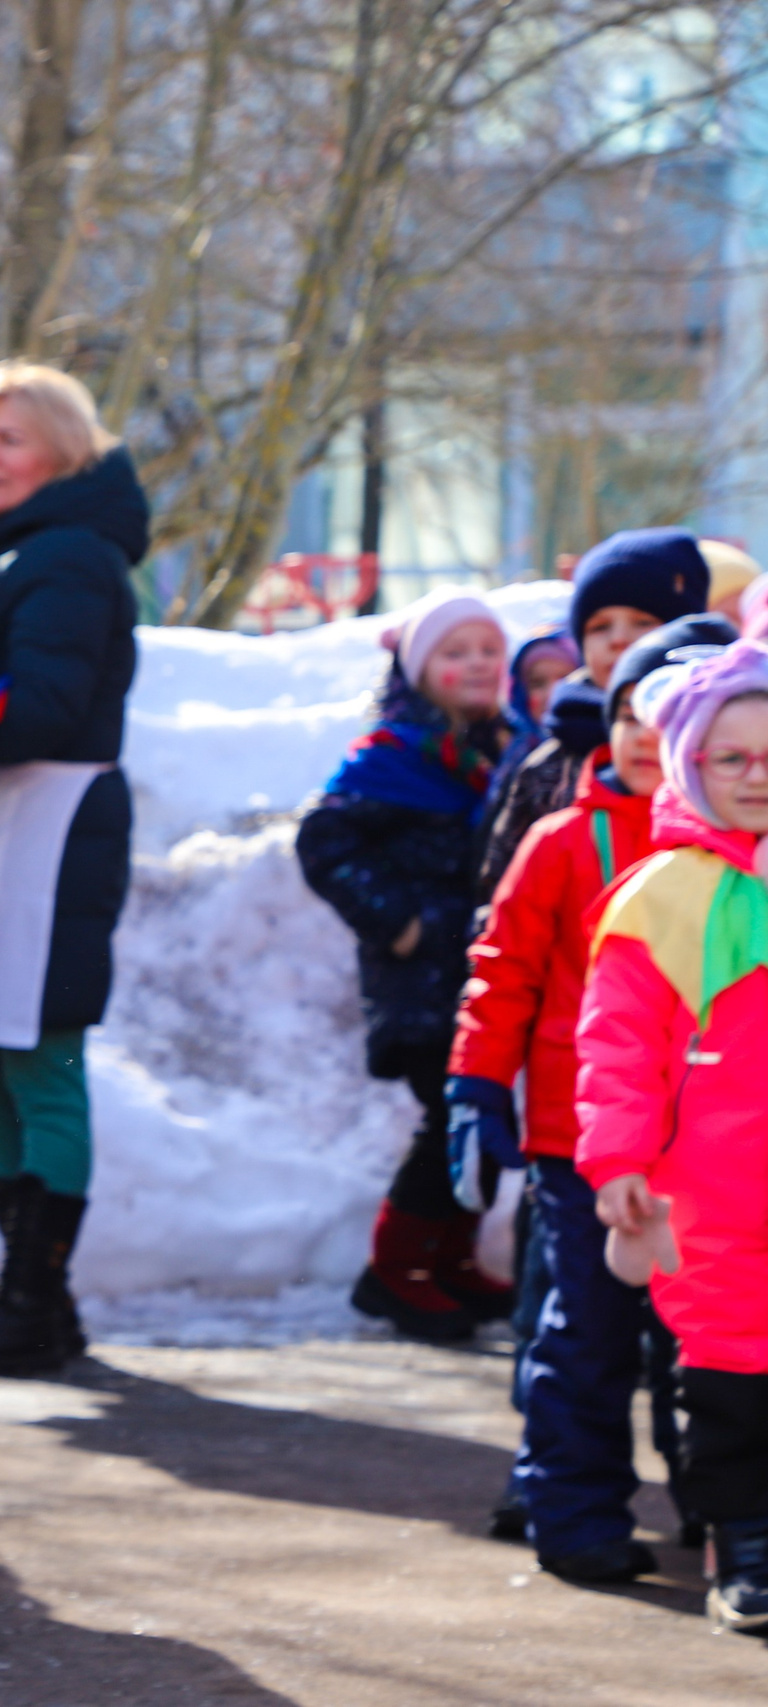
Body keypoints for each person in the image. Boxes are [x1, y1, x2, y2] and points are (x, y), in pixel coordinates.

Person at [450, 617, 729, 1580]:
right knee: (590, 1333)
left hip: (712, 1155)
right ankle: (571, 1510)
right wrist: (476, 1085)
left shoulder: (738, 862)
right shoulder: (562, 841)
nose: (648, 735)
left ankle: (715, 1505)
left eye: (670, 715)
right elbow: (503, 973)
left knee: (699, 1341)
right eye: (629, 712)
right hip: (582, 1140)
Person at [0, 362, 144, 1378]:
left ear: (62, 446)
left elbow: (42, 704)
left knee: (39, 1060)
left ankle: (35, 1300)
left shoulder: (70, 557)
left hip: (52, 823)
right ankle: (25, 1292)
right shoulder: (17, 556)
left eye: (7, 435)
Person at [575, 629, 768, 1632]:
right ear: (690, 764)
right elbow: (616, 1046)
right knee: (729, 1380)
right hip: (713, 1195)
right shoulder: (661, 900)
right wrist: (616, 1159)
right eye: (730, 759)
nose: (753, 778)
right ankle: (743, 1545)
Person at [298, 591, 513, 1342]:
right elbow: (324, 843)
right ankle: (394, 1269)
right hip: (423, 980)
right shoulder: (390, 757)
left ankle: (447, 1256)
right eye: (457, 652)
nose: (478, 664)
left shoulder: (500, 749)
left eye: (489, 650)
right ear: (420, 670)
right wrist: (402, 924)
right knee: (450, 1117)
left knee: (482, 1117)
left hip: (484, 970)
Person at [476, 529, 706, 904]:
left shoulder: (717, 748)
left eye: (642, 622)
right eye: (600, 626)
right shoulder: (550, 761)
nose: (618, 639)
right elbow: (498, 884)